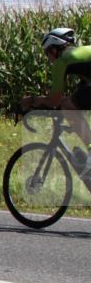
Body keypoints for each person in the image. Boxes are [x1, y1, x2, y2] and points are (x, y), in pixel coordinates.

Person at [21, 27, 91, 178]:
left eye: (47, 53)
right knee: (74, 101)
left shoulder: (62, 61)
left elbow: (55, 100)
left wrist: (32, 100)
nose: (48, 58)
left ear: (53, 49)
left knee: (66, 105)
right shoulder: (80, 55)